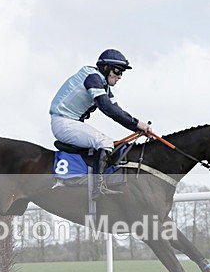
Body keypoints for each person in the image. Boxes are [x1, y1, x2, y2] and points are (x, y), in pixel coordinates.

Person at [49, 49, 152, 196]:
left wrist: (138, 129)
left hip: (70, 122)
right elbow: (107, 108)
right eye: (117, 71)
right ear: (106, 68)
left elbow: (117, 110)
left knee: (106, 143)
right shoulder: (93, 78)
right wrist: (137, 124)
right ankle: (98, 189)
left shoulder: (103, 84)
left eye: (122, 73)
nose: (120, 76)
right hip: (63, 123)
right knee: (105, 142)